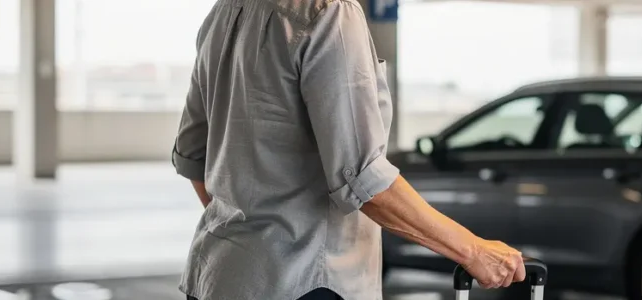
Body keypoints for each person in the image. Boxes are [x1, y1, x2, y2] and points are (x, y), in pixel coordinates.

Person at [171, 0, 526, 299]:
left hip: (218, 277)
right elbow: (363, 179)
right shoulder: (329, 12)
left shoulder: (224, 13)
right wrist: (473, 250)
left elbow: (193, 158)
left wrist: (252, 229)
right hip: (305, 283)